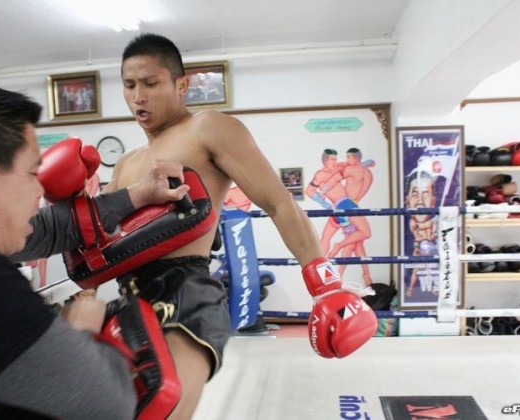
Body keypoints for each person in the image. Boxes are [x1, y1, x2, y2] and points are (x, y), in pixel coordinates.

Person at [106, 33, 378, 419]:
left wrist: (325, 285)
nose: (138, 97)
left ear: (181, 85)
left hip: (185, 291)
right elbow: (101, 240)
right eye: (130, 85)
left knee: (163, 408)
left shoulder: (206, 128)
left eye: (150, 83)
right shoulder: (125, 163)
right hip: (131, 299)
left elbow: (278, 202)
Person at [0, 74, 190, 418]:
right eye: (31, 173)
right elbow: (105, 404)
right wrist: (80, 330)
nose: (39, 190)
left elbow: (47, 229)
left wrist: (139, 194)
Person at [305, 148, 374, 285]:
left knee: (349, 240)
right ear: (325, 161)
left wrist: (367, 162)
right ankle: (326, 263)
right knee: (362, 234)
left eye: (336, 159)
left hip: (339, 208)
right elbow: (309, 191)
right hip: (344, 206)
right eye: (332, 159)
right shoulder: (320, 174)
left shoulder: (339, 167)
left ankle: (325, 271)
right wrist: (324, 204)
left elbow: (353, 166)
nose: (335, 162)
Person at [403, 168, 439, 298]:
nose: (420, 200)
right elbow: (423, 226)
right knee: (419, 270)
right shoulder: (414, 222)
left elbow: (432, 231)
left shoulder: (433, 222)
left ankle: (416, 288)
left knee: (429, 269)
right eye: (415, 194)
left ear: (433, 201)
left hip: (428, 247)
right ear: (407, 201)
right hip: (420, 248)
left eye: (426, 194)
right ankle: (411, 289)